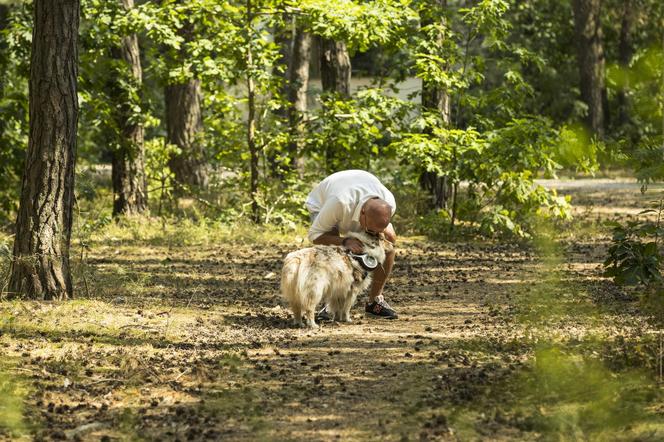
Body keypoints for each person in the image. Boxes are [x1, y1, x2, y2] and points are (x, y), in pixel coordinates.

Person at [305, 169, 398, 319]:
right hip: (324, 205)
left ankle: (375, 302)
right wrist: (344, 241)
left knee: (390, 239)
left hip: (358, 201)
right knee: (333, 248)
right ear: (362, 213)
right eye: (370, 230)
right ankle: (330, 304)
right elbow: (315, 235)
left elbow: (381, 232)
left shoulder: (389, 201)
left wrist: (377, 236)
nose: (372, 234)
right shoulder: (339, 202)